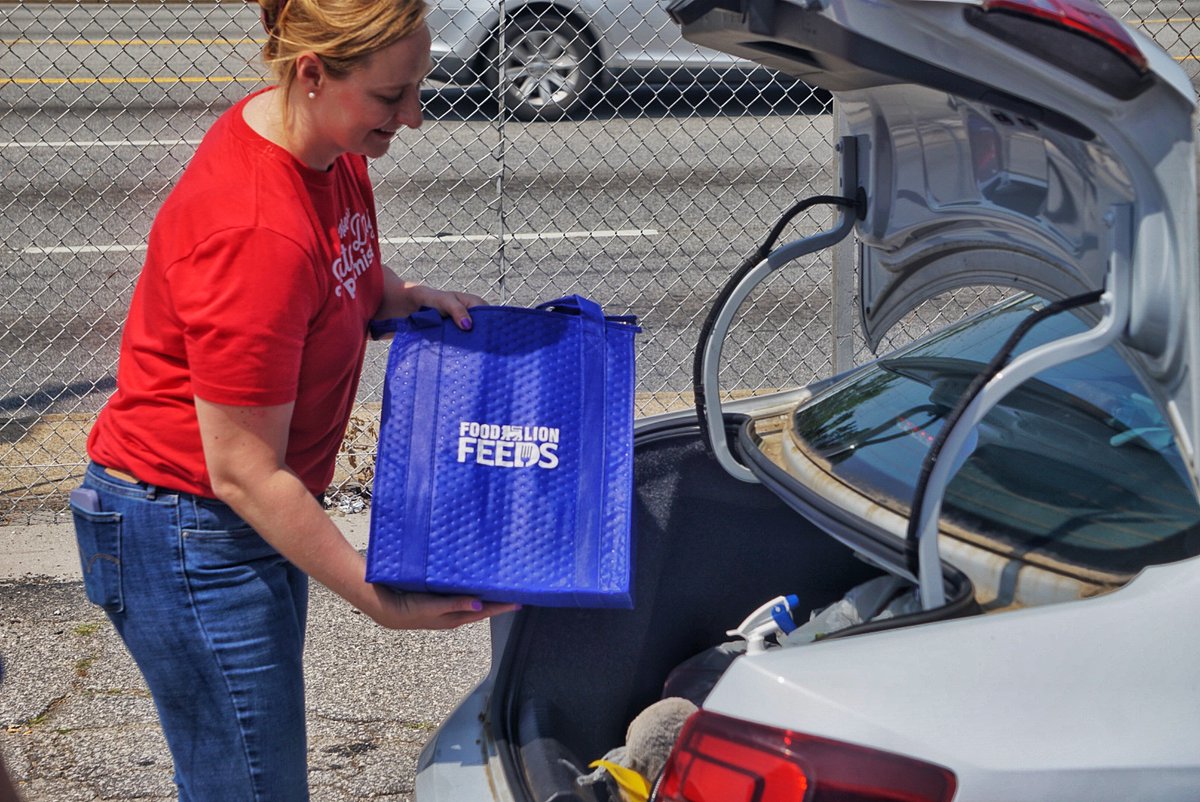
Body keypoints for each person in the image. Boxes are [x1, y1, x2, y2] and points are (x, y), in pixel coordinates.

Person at [68, 0, 517, 799]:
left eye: (419, 87)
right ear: (312, 73)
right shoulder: (254, 230)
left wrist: (401, 295)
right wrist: (378, 598)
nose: (413, 116)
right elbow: (244, 470)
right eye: (392, 96)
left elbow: (337, 263)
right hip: (189, 527)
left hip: (237, 516)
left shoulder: (320, 142)